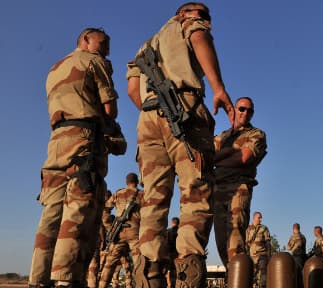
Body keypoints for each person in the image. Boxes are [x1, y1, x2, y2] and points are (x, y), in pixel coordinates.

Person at [125, 2, 234, 287]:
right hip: (183, 110)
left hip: (148, 118)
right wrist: (218, 88)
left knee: (153, 199)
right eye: (202, 14)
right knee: (196, 193)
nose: (206, 20)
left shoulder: (145, 46)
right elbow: (199, 38)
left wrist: (152, 112)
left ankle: (149, 275)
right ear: (184, 14)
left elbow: (132, 89)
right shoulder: (189, 26)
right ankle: (188, 275)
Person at [29, 27, 119, 288]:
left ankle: (38, 279)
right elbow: (109, 109)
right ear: (86, 40)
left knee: (51, 216)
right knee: (78, 212)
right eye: (102, 43)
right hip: (83, 141)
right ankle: (65, 280)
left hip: (56, 142)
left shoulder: (54, 69)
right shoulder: (94, 62)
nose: (106, 50)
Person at [213, 97, 267, 268]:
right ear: (234, 110)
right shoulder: (222, 136)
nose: (245, 113)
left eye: (250, 110)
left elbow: (244, 157)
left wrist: (217, 160)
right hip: (217, 190)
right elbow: (207, 156)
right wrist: (229, 152)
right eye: (242, 109)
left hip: (239, 188)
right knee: (221, 242)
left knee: (235, 240)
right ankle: (233, 278)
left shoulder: (256, 134)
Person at [99, 173, 143, 288]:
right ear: (137, 181)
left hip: (119, 233)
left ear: (126, 182)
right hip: (135, 232)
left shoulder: (118, 194)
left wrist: (109, 226)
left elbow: (105, 210)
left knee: (109, 264)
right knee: (139, 263)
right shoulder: (142, 195)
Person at [245, 212, 271, 288]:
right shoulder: (248, 229)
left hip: (262, 255)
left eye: (261, 218)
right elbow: (246, 243)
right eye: (259, 217)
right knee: (252, 276)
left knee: (263, 276)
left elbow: (268, 243)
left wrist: (269, 255)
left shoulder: (264, 228)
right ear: (254, 218)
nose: (261, 219)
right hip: (252, 257)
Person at [165, 217, 179, 288]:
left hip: (169, 254)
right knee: (176, 271)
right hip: (178, 254)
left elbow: (165, 243)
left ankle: (169, 285)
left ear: (172, 222)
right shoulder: (181, 232)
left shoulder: (168, 231)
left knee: (169, 271)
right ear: (178, 223)